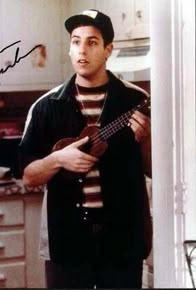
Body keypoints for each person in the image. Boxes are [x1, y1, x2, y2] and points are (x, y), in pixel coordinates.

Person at [19, 9, 152, 289]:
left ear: (108, 50)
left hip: (122, 238)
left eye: (92, 42)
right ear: (69, 48)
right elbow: (29, 176)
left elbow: (158, 170)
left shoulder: (136, 100)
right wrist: (57, 159)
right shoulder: (46, 107)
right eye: (76, 41)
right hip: (67, 239)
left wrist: (148, 140)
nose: (82, 49)